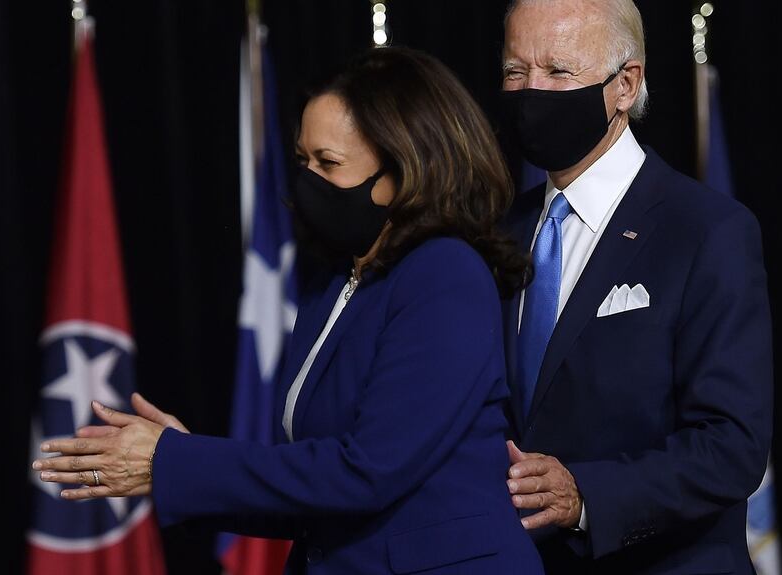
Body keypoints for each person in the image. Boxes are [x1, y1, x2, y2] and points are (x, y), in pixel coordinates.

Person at [33, 47, 543, 575]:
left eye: (329, 163)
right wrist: (180, 464)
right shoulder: (334, 287)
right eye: (303, 161)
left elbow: (366, 473)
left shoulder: (445, 274)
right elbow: (311, 491)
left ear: (404, 171)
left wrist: (174, 461)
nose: (306, 182)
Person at [498, 0, 773, 573]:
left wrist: (586, 498)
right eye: (515, 72)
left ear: (625, 85)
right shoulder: (498, 233)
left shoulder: (707, 231)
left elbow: (731, 445)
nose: (530, 92)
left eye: (558, 72)